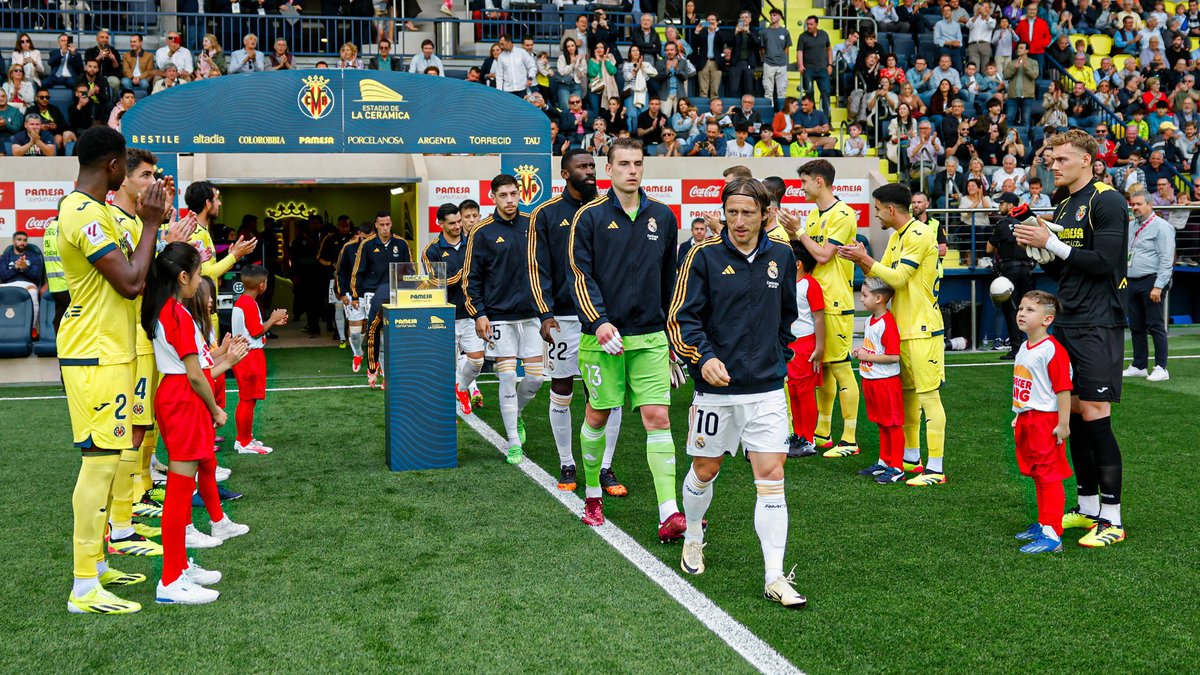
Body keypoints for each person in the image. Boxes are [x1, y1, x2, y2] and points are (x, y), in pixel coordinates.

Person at [669, 177, 806, 609]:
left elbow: (787, 316)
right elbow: (681, 319)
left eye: (749, 212)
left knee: (772, 480)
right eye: (732, 212)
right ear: (723, 213)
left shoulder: (782, 256)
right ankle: (693, 534)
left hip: (766, 390)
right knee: (705, 470)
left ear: (765, 214)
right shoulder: (702, 256)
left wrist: (777, 357)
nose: (740, 221)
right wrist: (703, 358)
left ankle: (774, 576)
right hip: (715, 390)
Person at [58, 126, 168, 614]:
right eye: (127, 164)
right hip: (93, 354)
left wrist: (151, 230)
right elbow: (129, 283)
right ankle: (83, 586)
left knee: (111, 458)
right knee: (99, 463)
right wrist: (149, 226)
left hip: (113, 351)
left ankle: (98, 566)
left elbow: (139, 282)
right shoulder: (80, 212)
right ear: (111, 166)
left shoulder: (98, 210)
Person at [1014, 129, 1130, 547]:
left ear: (1087, 160)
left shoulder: (1108, 200)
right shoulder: (1063, 205)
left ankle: (1112, 519)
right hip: (1069, 316)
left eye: (1061, 159)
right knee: (1076, 415)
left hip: (1099, 322)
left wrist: (1053, 244)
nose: (1053, 165)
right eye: (1051, 159)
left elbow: (1106, 263)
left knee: (1096, 415)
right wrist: (1039, 248)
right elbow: (1069, 268)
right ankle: (1086, 506)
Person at [570, 138, 682, 536]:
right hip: (602, 338)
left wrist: (671, 337)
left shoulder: (664, 218)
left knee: (658, 417)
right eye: (624, 164)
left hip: (650, 337)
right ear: (610, 168)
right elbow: (579, 276)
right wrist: (598, 322)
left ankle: (669, 511)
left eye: (637, 163)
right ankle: (593, 494)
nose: (632, 170)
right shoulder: (590, 217)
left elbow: (671, 281)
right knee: (598, 415)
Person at [144, 243, 249, 605]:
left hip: (176, 397)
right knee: (178, 490)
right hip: (181, 399)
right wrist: (216, 410)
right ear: (183, 277)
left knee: (179, 486)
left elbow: (198, 370)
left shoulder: (167, 309)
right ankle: (171, 580)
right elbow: (195, 375)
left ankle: (176, 567)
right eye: (199, 272)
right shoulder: (175, 314)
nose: (203, 280)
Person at [838, 183, 948, 485]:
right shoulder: (898, 236)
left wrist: (866, 260)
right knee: (909, 399)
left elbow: (897, 279)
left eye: (876, 209)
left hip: (923, 329)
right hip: (902, 328)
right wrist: (861, 258)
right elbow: (879, 278)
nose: (875, 215)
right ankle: (910, 459)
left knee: (928, 399)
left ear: (889, 209)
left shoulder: (920, 234)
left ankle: (936, 469)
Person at [530, 150, 626, 494]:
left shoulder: (606, 210)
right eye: (582, 167)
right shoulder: (545, 214)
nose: (589, 172)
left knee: (606, 395)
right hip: (564, 319)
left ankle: (605, 467)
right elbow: (536, 266)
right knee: (562, 389)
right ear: (564, 173)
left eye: (592, 166)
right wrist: (545, 312)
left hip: (601, 319)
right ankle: (567, 463)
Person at [463, 174, 546, 463]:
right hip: (498, 317)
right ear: (493, 197)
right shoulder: (482, 231)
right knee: (508, 375)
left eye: (514, 194)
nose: (510, 200)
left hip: (532, 316)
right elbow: (471, 278)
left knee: (536, 378)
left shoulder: (532, 224)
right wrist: (480, 314)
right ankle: (513, 441)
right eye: (504, 195)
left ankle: (517, 413)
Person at [784, 160, 862, 457]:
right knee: (825, 372)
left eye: (804, 181)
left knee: (841, 369)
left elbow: (825, 255)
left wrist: (799, 231)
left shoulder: (842, 214)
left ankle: (850, 439)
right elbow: (809, 255)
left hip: (837, 302)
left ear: (819, 181)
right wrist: (793, 232)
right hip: (817, 299)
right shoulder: (815, 214)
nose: (801, 187)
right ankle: (823, 433)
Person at [1009, 290, 1074, 554]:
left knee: (1049, 476)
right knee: (1036, 473)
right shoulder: (1025, 346)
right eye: (1021, 308)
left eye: (1030, 310)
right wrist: (1018, 413)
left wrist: (1063, 424)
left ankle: (1053, 533)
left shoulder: (1052, 350)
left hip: (1045, 421)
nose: (1022, 313)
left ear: (1047, 319)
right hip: (1027, 419)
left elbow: (1063, 390)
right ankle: (1043, 522)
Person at [420, 203, 483, 417]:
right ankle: (445, 412)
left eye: (459, 221)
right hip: (443, 315)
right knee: (444, 368)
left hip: (471, 313)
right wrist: (465, 272)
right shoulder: (431, 250)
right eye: (453, 223)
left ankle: (462, 387)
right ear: (440, 223)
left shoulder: (473, 244)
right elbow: (437, 282)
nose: (458, 226)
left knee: (477, 361)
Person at [231, 264, 289, 455]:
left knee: (247, 399)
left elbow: (253, 329)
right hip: (250, 355)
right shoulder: (248, 303)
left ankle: (243, 438)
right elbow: (255, 332)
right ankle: (245, 441)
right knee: (248, 399)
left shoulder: (243, 301)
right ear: (262, 285)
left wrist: (271, 323)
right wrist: (273, 319)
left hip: (244, 353)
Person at [853, 277, 906, 483]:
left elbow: (894, 356)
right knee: (882, 424)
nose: (862, 299)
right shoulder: (869, 320)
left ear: (879, 298)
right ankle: (884, 461)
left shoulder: (888, 323)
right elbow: (876, 349)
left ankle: (897, 467)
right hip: (871, 380)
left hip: (886, 382)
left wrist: (869, 357)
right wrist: (863, 352)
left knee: (892, 424)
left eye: (865, 295)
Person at [349, 211, 410, 376]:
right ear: (376, 225)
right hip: (372, 294)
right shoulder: (367, 245)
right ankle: (378, 368)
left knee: (393, 331)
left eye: (388, 224)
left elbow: (409, 270)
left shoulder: (401, 243)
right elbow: (358, 271)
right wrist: (355, 295)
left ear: (391, 224)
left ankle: (388, 368)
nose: (385, 228)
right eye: (381, 225)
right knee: (376, 331)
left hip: (396, 293)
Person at [1123, 191, 1174, 381]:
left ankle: (1161, 367)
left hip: (1152, 281)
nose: (1135, 207)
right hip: (1132, 280)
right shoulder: (1130, 226)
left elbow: (1166, 258)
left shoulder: (1162, 227)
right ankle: (1139, 365)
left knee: (1155, 325)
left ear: (1150, 205)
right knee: (1136, 326)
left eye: (1138, 204)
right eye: (1132, 204)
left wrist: (1159, 285)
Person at [784, 243, 824, 458]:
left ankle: (809, 439)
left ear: (798, 264)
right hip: (790, 344)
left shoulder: (810, 284)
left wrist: (819, 348)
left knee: (805, 392)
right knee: (793, 391)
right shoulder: (788, 283)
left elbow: (819, 318)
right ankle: (798, 435)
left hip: (805, 344)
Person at [988, 192, 1036, 359]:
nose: (999, 206)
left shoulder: (1003, 224)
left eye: (1001, 203)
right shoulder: (1027, 222)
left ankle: (1016, 349)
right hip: (1028, 269)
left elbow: (989, 248)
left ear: (1010, 205)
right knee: (1029, 308)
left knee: (1011, 309)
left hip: (1010, 270)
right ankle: (1031, 345)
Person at [318, 216, 353, 347]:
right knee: (337, 307)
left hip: (351, 279)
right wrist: (331, 264)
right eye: (342, 226)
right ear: (338, 226)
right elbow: (319, 257)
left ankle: (349, 334)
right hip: (334, 277)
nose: (345, 229)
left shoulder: (354, 239)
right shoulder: (329, 239)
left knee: (350, 307)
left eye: (347, 226)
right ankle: (340, 335)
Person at [0, 230, 44, 326]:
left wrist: (25, 268)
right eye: (19, 240)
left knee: (33, 291)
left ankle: (32, 328)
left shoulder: (34, 257)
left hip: (27, 284)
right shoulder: (5, 257)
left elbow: (37, 277)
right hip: (9, 284)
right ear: (13, 241)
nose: (22, 243)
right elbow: (3, 276)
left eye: (24, 240)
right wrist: (15, 268)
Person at [797, 15, 833, 115]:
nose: (809, 26)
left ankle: (827, 119)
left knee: (826, 93)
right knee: (809, 92)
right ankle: (814, 114)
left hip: (823, 69)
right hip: (808, 69)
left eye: (811, 24)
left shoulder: (824, 34)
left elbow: (829, 49)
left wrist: (830, 64)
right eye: (807, 24)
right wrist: (800, 65)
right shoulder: (802, 36)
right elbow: (799, 51)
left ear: (817, 24)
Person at [689, 13, 727, 99]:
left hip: (716, 63)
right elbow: (694, 44)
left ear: (717, 22)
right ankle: (703, 108)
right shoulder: (702, 32)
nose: (710, 21)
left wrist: (716, 29)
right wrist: (697, 31)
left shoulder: (720, 32)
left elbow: (724, 40)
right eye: (708, 20)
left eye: (713, 20)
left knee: (715, 91)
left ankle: (714, 108)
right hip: (704, 62)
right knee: (703, 90)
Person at [762, 8, 792, 111]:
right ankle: (769, 113)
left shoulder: (785, 31)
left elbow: (787, 48)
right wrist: (766, 58)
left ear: (779, 17)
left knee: (782, 90)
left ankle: (782, 113)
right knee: (768, 90)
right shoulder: (765, 31)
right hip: (768, 63)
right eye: (771, 15)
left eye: (774, 15)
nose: (772, 17)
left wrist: (783, 59)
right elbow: (762, 48)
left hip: (781, 64)